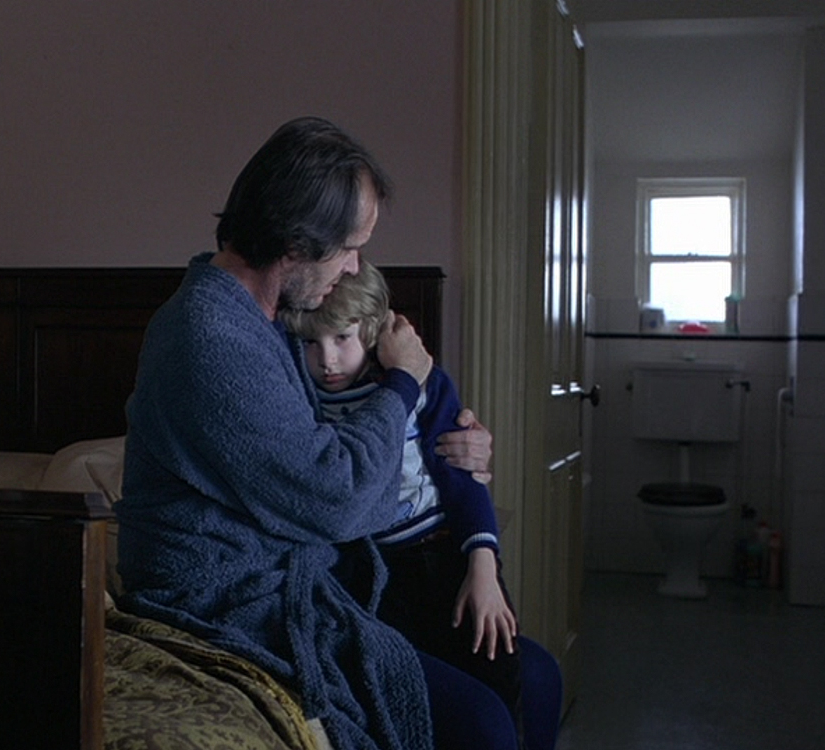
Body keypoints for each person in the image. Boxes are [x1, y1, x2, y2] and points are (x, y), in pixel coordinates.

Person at [116, 116, 510, 750]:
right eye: (349, 247)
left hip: (305, 580)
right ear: (296, 242)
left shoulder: (264, 320)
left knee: (518, 679)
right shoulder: (210, 338)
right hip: (226, 600)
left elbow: (330, 446)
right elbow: (337, 496)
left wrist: (453, 448)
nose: (354, 267)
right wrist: (402, 386)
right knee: (481, 725)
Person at [280, 262, 563, 750]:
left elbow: (462, 479)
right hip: (374, 569)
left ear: (372, 331)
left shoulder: (421, 384)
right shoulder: (300, 397)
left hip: (444, 553)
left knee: (504, 666)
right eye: (310, 343)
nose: (327, 360)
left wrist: (483, 567)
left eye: (342, 338)